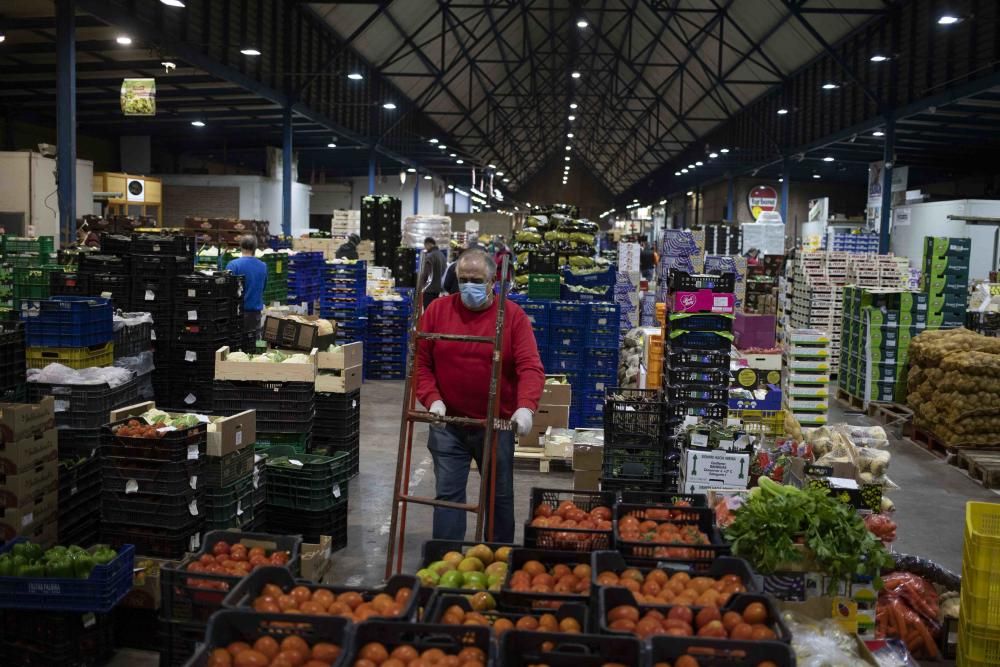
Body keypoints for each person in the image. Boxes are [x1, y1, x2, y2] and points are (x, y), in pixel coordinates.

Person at [416, 248, 544, 542]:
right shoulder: (437, 311)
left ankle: (497, 559)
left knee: (498, 497)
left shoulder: (512, 316)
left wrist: (525, 408)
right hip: (449, 422)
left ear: (492, 282)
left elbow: (530, 367)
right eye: (463, 279)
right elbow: (421, 364)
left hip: (495, 424)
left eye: (476, 279)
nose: (469, 286)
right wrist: (432, 399)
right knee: (448, 496)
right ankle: (446, 561)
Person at [226, 235, 268, 339]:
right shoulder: (263, 266)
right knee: (252, 345)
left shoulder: (233, 265)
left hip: (237, 313)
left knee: (237, 345)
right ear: (255, 248)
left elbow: (227, 291)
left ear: (241, 246)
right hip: (255, 314)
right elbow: (263, 287)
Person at [418, 237, 446, 306]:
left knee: (428, 310)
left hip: (429, 289)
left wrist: (421, 286)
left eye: (425, 246)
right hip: (438, 289)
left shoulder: (430, 256)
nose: (425, 248)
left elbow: (425, 274)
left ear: (428, 244)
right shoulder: (442, 255)